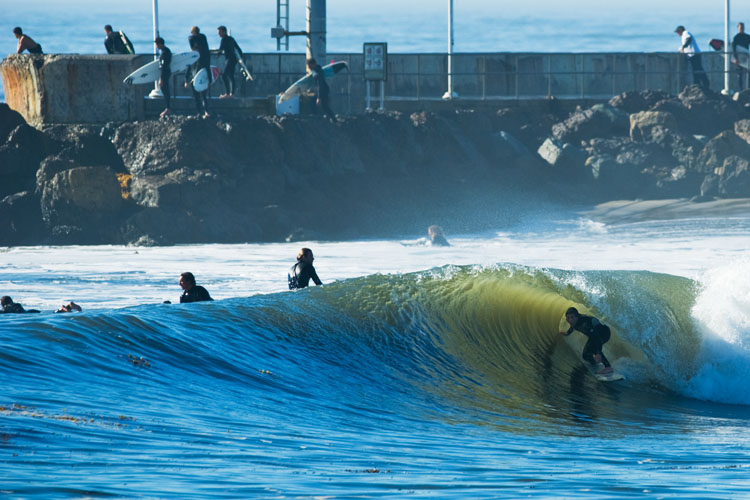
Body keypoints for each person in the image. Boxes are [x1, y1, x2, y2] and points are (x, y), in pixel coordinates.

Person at [559, 307, 614, 375]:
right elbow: (573, 326)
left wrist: (598, 353)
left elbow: (597, 338)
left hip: (604, 333)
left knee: (595, 348)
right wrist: (567, 333)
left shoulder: (585, 323)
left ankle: (608, 367)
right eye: (568, 318)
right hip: (594, 335)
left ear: (577, 317)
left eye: (572, 317)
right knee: (585, 355)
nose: (570, 320)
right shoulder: (574, 322)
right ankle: (596, 362)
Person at [185, 26, 211, 118]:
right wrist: (186, 80)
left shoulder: (200, 56)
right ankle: (201, 112)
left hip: (197, 76)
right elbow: (189, 67)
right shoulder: (202, 56)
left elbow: (189, 68)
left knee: (201, 96)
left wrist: (186, 80)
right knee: (199, 96)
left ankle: (204, 112)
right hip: (195, 77)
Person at [217, 26, 242, 99]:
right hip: (234, 59)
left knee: (224, 75)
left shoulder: (224, 39)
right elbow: (238, 49)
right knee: (231, 76)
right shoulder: (231, 39)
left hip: (229, 59)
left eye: (219, 32)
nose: (219, 34)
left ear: (224, 32)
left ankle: (228, 93)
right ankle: (232, 93)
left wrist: (217, 54)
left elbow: (220, 50)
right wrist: (240, 59)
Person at [155, 37, 172, 117]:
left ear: (160, 44)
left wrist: (161, 78)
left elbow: (164, 66)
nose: (156, 46)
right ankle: (168, 108)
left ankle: (168, 108)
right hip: (166, 72)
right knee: (165, 90)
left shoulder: (165, 53)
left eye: (156, 44)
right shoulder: (166, 51)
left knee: (165, 90)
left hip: (165, 73)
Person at [732, 22, 750, 90]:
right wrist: (735, 59)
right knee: (740, 75)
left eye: (743, 28)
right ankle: (741, 89)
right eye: (740, 28)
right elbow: (733, 49)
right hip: (738, 58)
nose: (742, 29)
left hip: (746, 58)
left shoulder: (747, 37)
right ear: (738, 28)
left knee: (748, 74)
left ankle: (748, 89)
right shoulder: (736, 38)